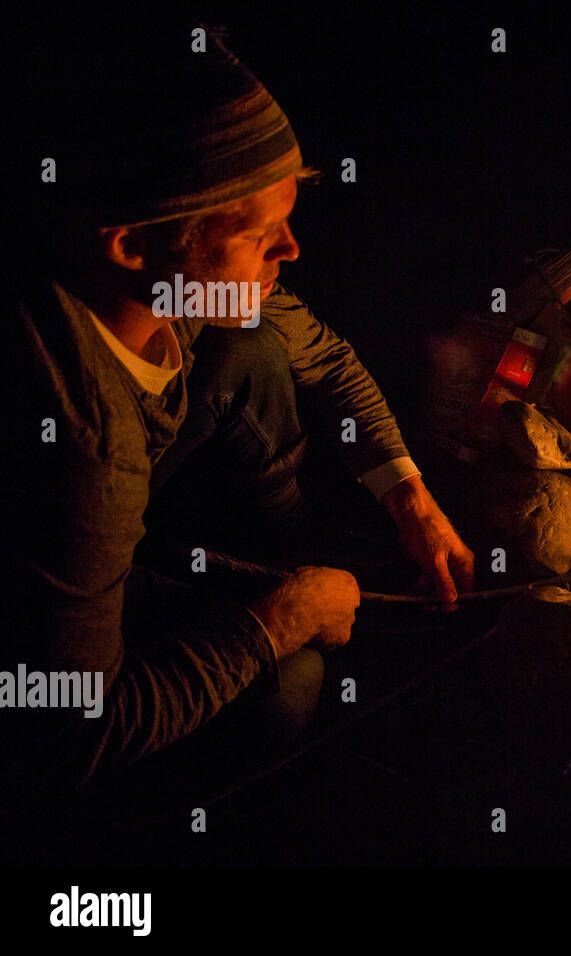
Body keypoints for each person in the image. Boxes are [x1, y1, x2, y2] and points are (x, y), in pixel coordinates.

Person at [1, 26, 474, 823]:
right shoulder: (82, 444)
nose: (291, 248)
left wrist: (411, 500)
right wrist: (279, 619)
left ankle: (262, 557)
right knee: (290, 688)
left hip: (104, 518)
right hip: (45, 724)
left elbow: (321, 356)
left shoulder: (169, 284)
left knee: (252, 347)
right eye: (257, 236)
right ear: (130, 244)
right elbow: (68, 735)